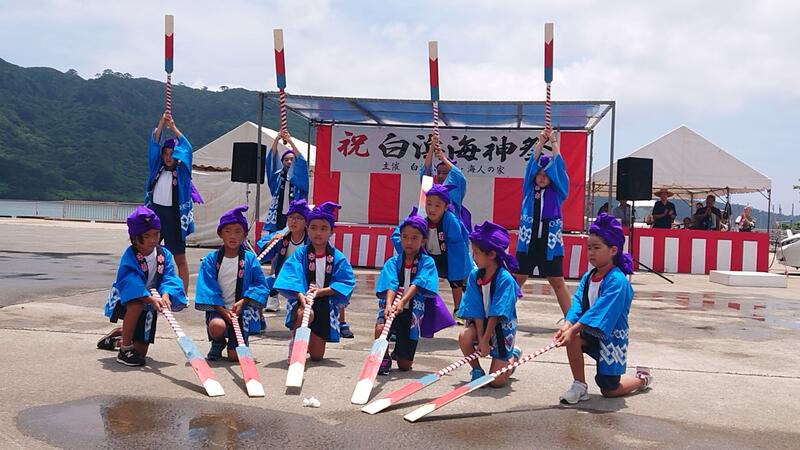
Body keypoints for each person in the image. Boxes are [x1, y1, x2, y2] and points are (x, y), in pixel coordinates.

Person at [554, 213, 653, 404]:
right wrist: (567, 325)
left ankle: (642, 379)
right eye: (589, 248)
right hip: (590, 332)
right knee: (573, 338)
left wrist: (574, 328)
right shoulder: (588, 277)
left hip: (611, 338)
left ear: (613, 250)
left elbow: (600, 309)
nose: (591, 253)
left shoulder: (617, 280)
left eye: (597, 247)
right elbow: (578, 302)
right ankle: (579, 385)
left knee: (609, 389)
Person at [101, 206, 186, 366]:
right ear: (135, 237)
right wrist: (149, 299)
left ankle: (119, 336)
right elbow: (130, 281)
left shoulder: (164, 255)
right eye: (147, 236)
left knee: (141, 351)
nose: (153, 240)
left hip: (151, 298)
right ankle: (125, 349)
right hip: (128, 297)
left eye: (156, 234)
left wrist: (166, 294)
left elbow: (169, 277)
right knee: (136, 306)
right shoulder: (130, 255)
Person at [274, 202, 356, 362]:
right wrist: (300, 295)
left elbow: (345, 282)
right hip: (302, 299)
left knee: (317, 355)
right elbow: (290, 276)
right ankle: (296, 344)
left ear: (331, 231)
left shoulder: (337, 257)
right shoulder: (300, 254)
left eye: (324, 228)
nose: (318, 233)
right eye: (313, 228)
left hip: (324, 302)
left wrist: (321, 292)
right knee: (305, 313)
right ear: (307, 228)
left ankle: (309, 340)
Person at [194, 205, 268, 361]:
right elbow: (207, 287)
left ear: (245, 235)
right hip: (219, 309)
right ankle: (218, 341)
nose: (232, 236)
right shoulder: (211, 260)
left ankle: (239, 342)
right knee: (217, 326)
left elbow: (260, 284)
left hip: (241, 310)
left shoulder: (250, 259)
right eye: (227, 231)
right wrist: (222, 310)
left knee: (235, 357)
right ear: (220, 233)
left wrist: (244, 300)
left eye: (238, 231)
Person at [392, 184, 472, 322]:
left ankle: (458, 309)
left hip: (450, 256)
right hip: (427, 255)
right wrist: (413, 254)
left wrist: (456, 271)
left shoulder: (450, 220)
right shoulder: (420, 218)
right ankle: (417, 307)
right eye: (429, 204)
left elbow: (457, 247)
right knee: (419, 280)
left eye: (437, 205)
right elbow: (398, 235)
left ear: (445, 207)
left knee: (457, 281)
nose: (432, 209)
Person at [374, 208, 439, 374]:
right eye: (405, 237)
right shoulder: (393, 262)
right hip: (392, 307)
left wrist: (403, 302)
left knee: (404, 365)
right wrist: (389, 305)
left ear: (423, 241)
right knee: (381, 328)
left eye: (414, 238)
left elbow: (419, 282)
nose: (409, 242)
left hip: (412, 311)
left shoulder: (427, 262)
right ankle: (383, 357)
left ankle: (400, 353)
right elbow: (391, 283)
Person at [457, 221, 522, 387]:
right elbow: (475, 308)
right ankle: (477, 370)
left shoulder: (505, 279)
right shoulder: (474, 276)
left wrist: (486, 340)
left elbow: (497, 313)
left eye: (477, 253)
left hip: (501, 326)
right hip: (481, 323)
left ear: (492, 254)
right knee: (464, 336)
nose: (473, 257)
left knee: (496, 382)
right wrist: (480, 338)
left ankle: (512, 357)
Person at [514, 130, 572, 315]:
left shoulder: (558, 193)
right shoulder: (529, 189)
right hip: (527, 242)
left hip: (550, 243)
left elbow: (560, 167)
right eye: (539, 174)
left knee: (557, 281)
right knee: (518, 278)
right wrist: (540, 142)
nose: (541, 177)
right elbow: (531, 164)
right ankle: (500, 314)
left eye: (546, 174)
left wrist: (553, 142)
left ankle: (572, 320)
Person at [144, 113, 193, 294]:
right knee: (149, 253)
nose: (168, 157)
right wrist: (161, 122)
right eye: (165, 154)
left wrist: (172, 127)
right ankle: (148, 290)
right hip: (155, 215)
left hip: (174, 217)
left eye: (171, 154)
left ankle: (183, 294)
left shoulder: (182, 171)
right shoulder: (156, 168)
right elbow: (154, 143)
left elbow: (188, 148)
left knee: (179, 258)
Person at [257, 199, 311, 329]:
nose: (293, 221)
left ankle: (341, 323)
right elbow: (263, 257)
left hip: (302, 282)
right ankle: (258, 318)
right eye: (291, 217)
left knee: (296, 311)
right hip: (280, 278)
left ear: (306, 222)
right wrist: (270, 243)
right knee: (257, 288)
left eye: (298, 218)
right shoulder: (281, 236)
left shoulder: (310, 240)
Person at [260, 130, 309, 252]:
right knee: (277, 244)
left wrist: (290, 142)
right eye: (286, 160)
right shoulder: (277, 177)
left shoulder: (299, 179)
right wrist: (277, 139)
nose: (289, 162)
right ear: (281, 162)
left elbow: (302, 162)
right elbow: (271, 161)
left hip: (295, 216)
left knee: (294, 244)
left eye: (292, 159)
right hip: (279, 215)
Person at [421, 137, 471, 230]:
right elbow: (426, 170)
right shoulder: (431, 189)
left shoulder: (455, 188)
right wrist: (431, 148)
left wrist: (443, 158)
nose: (440, 176)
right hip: (430, 228)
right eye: (438, 172)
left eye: (445, 173)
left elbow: (459, 176)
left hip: (450, 229)